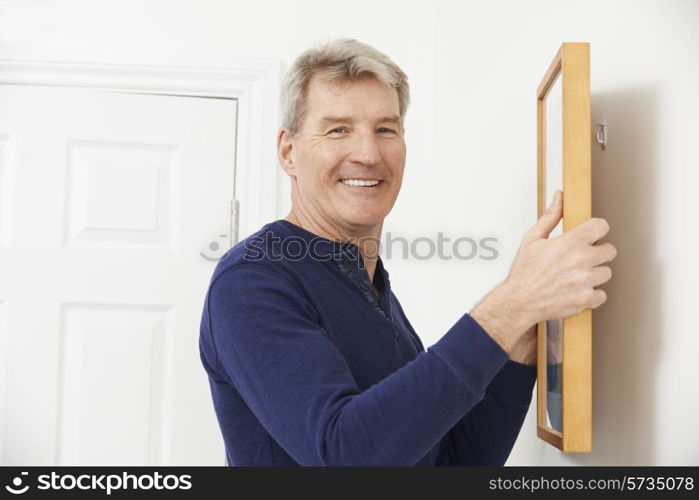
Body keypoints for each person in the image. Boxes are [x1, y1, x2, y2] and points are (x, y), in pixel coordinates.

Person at [198, 38, 616, 466]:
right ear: (289, 152)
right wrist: (510, 304)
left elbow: (451, 464)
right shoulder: (252, 281)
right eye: (338, 129)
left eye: (385, 129)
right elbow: (345, 457)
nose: (368, 153)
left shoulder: (369, 283)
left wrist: (521, 337)